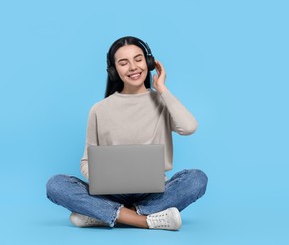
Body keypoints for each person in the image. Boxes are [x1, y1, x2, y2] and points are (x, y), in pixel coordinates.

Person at [46, 36, 208, 231]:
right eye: (124, 63)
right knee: (56, 185)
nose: (133, 67)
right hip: (111, 193)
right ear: (114, 71)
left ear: (148, 63)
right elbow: (85, 161)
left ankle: (106, 215)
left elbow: (189, 127)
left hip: (152, 192)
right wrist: (102, 180)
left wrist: (162, 89)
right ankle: (145, 220)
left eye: (138, 59)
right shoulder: (99, 110)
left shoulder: (162, 102)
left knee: (197, 179)